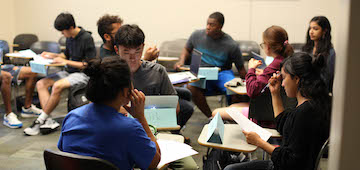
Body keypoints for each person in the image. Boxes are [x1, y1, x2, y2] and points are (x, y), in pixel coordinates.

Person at [224, 52, 331, 170]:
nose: (283, 84)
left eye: (284, 78)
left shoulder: (304, 113)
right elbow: (284, 124)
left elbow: (289, 161)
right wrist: (275, 93)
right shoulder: (315, 103)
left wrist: (259, 142)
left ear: (296, 79)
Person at [114, 24, 197, 170]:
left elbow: (174, 108)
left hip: (156, 130)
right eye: (126, 52)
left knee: (189, 167)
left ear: (143, 48)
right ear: (117, 50)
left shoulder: (157, 71)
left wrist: (141, 114)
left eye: (138, 51)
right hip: (120, 133)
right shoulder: (110, 73)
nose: (133, 58)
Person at [58, 56, 161, 169]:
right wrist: (140, 117)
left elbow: (63, 152)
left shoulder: (72, 117)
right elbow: (153, 163)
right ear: (126, 91)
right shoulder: (130, 128)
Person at [24, 12, 96, 136]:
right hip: (68, 72)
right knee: (41, 83)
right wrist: (53, 55)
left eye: (63, 31)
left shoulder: (86, 38)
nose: (62, 34)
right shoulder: (69, 38)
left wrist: (65, 61)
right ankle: (48, 119)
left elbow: (88, 64)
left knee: (57, 86)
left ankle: (40, 120)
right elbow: (66, 56)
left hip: (83, 74)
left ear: (71, 27)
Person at [212, 25, 294, 120]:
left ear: (267, 46)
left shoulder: (274, 66)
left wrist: (251, 69)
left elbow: (252, 91)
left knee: (216, 113)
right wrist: (263, 73)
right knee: (232, 107)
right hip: (276, 108)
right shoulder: (285, 61)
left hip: (267, 113)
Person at [174, 12, 246, 118]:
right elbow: (187, 49)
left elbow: (241, 69)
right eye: (207, 24)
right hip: (201, 72)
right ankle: (211, 117)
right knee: (191, 87)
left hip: (221, 73)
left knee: (234, 90)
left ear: (220, 27)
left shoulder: (231, 44)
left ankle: (230, 117)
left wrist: (249, 82)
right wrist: (181, 61)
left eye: (212, 25)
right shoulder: (196, 35)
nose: (208, 27)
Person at [302, 16, 335, 93]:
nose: (311, 32)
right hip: (303, 88)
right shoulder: (306, 48)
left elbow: (327, 78)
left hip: (318, 91)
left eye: (315, 29)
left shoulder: (330, 53)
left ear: (324, 31)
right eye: (310, 28)